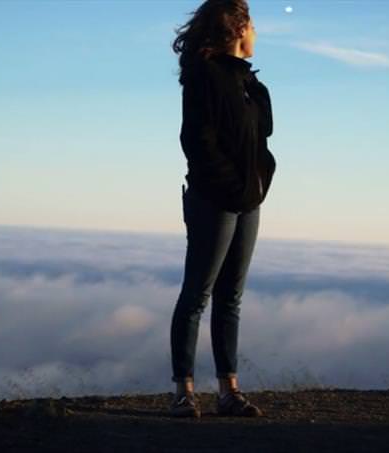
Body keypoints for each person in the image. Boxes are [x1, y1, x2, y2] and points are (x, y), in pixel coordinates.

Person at [169, 0, 276, 418]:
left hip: (248, 201)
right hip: (214, 200)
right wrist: (231, 185)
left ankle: (228, 391)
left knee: (230, 297)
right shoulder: (204, 76)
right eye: (253, 26)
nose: (256, 35)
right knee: (197, 294)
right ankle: (183, 391)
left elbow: (260, 141)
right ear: (239, 28)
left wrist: (262, 179)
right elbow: (197, 141)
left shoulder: (250, 83)